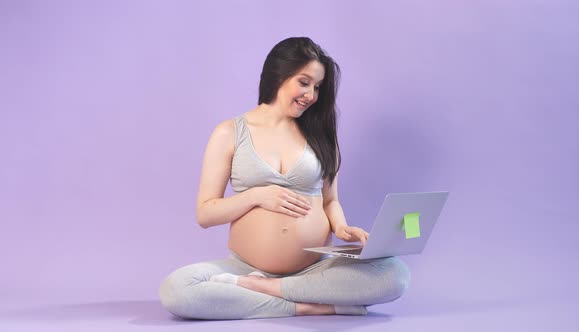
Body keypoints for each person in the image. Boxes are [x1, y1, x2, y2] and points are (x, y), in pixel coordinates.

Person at [159, 37, 410, 320]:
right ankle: (304, 304)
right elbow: (205, 213)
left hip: (314, 269)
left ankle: (268, 290)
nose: (312, 95)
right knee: (177, 289)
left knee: (394, 274)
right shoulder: (229, 132)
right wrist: (256, 195)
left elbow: (330, 201)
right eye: (304, 83)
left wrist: (342, 227)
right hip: (245, 268)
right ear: (278, 74)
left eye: (317, 87)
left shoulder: (320, 135)